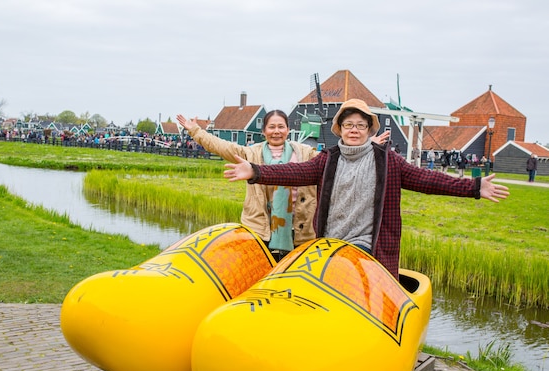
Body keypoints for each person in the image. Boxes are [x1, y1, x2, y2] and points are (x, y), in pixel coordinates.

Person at [223, 99, 509, 280]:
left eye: (360, 125)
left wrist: (473, 187)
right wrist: (256, 171)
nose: (354, 130)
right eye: (349, 125)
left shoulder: (387, 161)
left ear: (369, 129)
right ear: (340, 129)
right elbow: (295, 171)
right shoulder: (328, 159)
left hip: (365, 245)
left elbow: (427, 180)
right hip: (329, 242)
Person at [176, 111, 319, 261]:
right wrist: (195, 130)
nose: (276, 131)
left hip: (299, 230)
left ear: (288, 130)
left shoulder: (305, 153)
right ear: (263, 131)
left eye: (281, 127)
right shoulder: (251, 154)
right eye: (271, 127)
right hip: (261, 231)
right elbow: (221, 146)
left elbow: (327, 163)